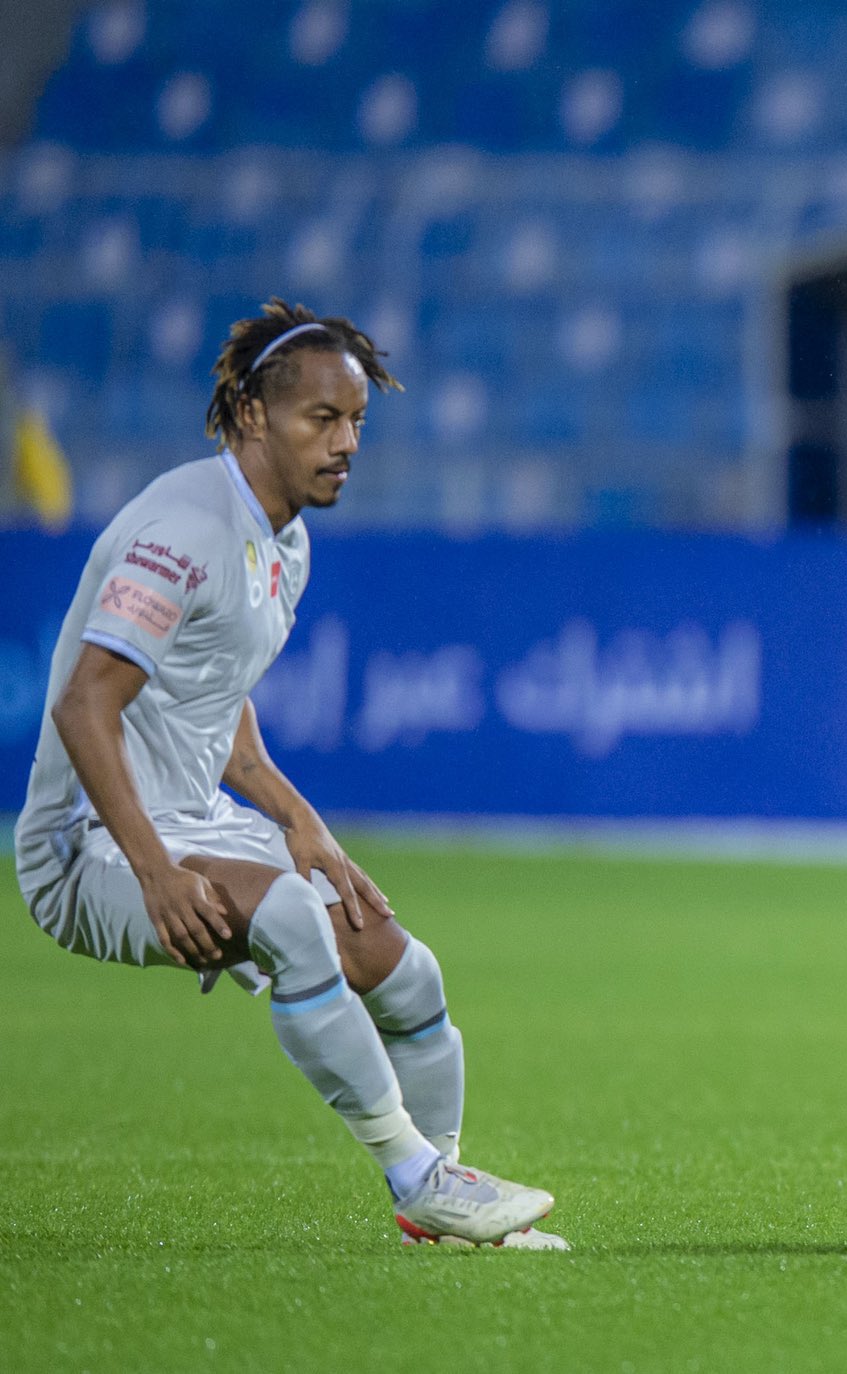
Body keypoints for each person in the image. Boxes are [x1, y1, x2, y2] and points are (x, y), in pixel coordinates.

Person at [15, 299, 565, 1249]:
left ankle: (434, 1204)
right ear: (254, 416)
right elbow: (83, 706)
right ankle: (416, 1173)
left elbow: (215, 697)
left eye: (356, 421)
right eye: (324, 419)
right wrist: (155, 871)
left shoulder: (287, 544)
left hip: (193, 819)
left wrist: (299, 820)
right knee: (290, 918)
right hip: (87, 848)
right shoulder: (182, 527)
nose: (347, 442)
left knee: (401, 966)